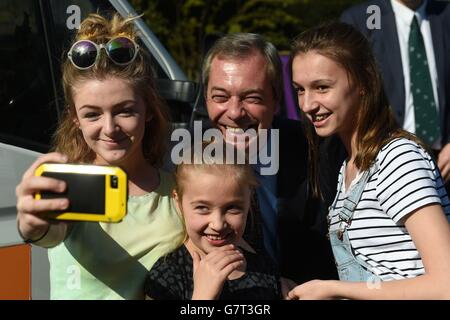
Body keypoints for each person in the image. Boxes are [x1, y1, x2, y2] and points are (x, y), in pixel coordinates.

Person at [15, 13, 184, 299]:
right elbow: (49, 233)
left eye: (125, 110)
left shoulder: (180, 194)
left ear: (149, 110)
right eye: (92, 114)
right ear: (75, 119)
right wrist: (31, 222)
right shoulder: (67, 183)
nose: (109, 128)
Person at [287, 21, 450, 299]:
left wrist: (332, 288)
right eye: (300, 89)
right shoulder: (348, 167)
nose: (307, 105)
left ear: (363, 82)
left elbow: (445, 284)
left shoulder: (398, 158)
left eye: (322, 87)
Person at [200, 32, 345, 284]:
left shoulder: (317, 149)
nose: (234, 112)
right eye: (221, 97)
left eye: (251, 97)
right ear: (205, 98)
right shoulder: (184, 157)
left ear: (276, 99)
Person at [145, 143, 282, 299]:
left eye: (232, 208)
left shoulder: (261, 265)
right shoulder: (167, 276)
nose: (218, 224)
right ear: (178, 202)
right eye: (203, 208)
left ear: (249, 201)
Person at [341, 0, 450, 186]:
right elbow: (345, 93)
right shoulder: (363, 19)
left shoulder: (445, 14)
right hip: (381, 160)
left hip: (444, 161)